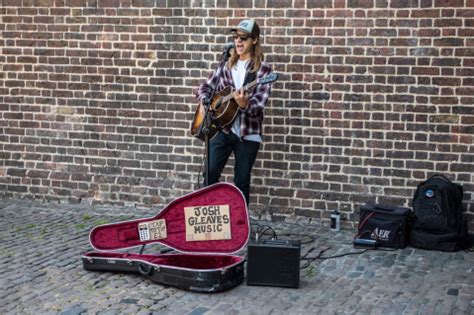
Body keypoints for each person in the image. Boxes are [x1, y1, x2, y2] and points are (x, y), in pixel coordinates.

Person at [195, 19, 274, 205]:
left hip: (248, 134)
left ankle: (240, 225)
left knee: (241, 181)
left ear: (254, 40)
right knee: (210, 172)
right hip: (223, 129)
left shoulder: (264, 71)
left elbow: (258, 106)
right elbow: (205, 87)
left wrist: (244, 104)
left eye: (243, 38)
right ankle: (211, 217)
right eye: (236, 37)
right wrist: (205, 101)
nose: (238, 42)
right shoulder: (225, 65)